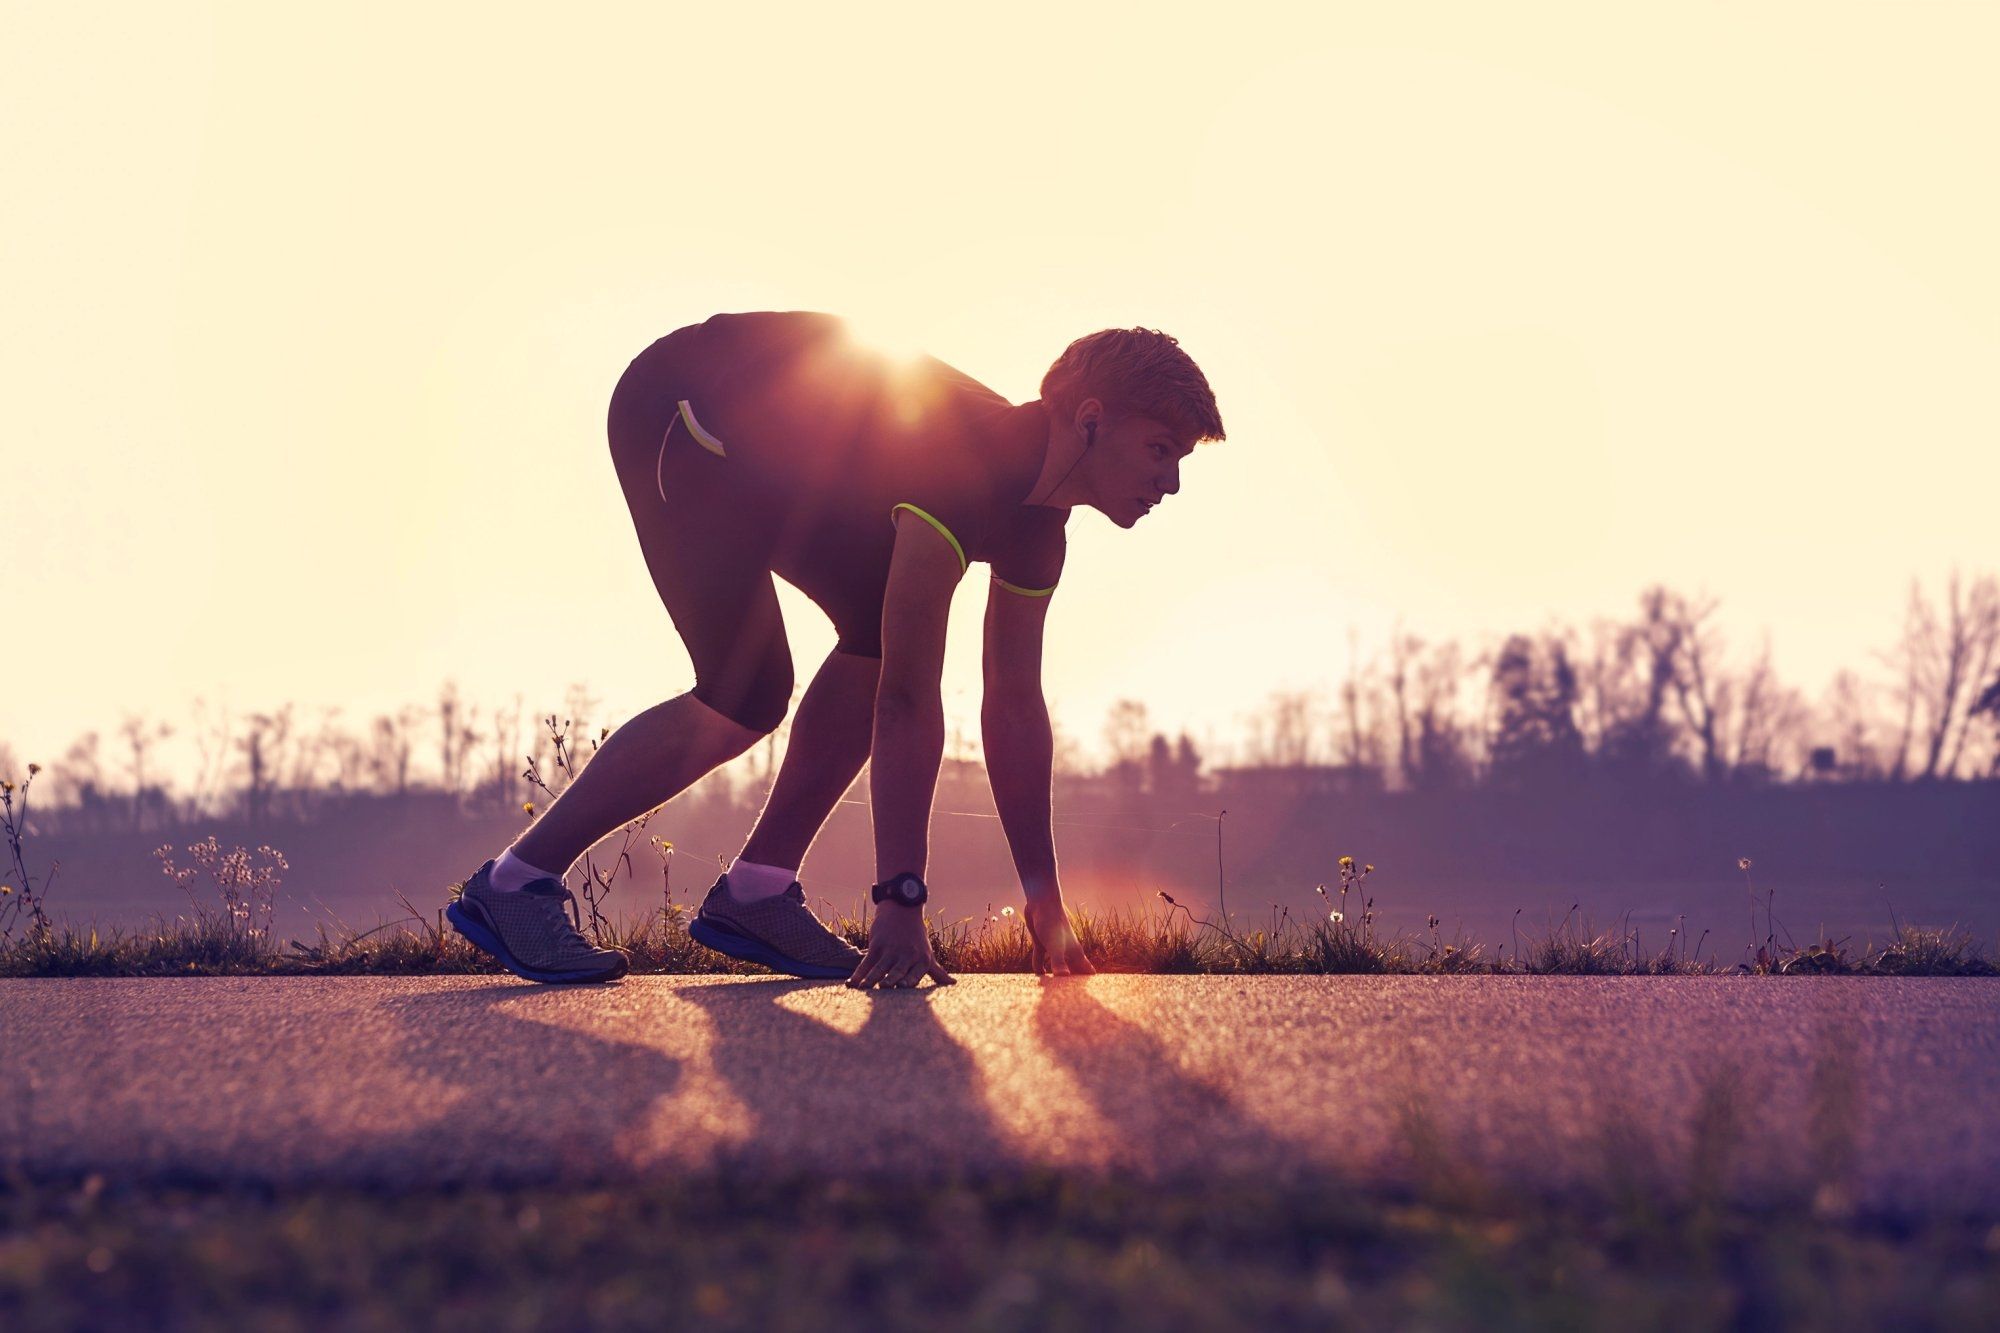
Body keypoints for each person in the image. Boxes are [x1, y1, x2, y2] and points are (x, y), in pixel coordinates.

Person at [446, 311, 1225, 988]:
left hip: (792, 466)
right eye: (1161, 449)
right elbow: (910, 702)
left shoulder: (1037, 529)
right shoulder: (964, 468)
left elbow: (1014, 705)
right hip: (686, 409)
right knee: (745, 692)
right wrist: (901, 898)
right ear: (1090, 417)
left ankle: (755, 892)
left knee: (874, 644)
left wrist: (1044, 899)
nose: (1173, 482)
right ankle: (515, 883)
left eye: (1181, 460)